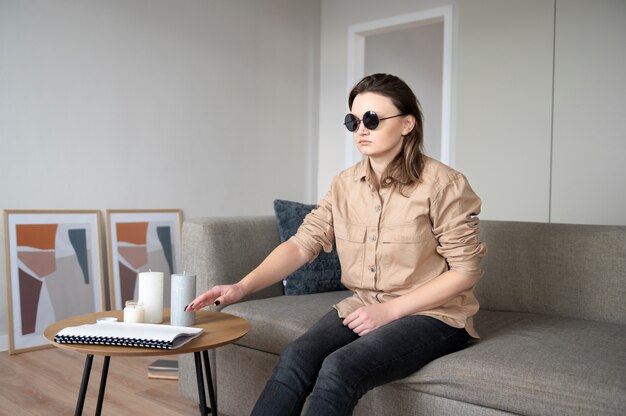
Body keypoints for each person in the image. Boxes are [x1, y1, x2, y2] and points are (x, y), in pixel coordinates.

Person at [185, 73, 486, 416]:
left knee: (340, 368)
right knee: (296, 357)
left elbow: (464, 272)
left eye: (371, 119)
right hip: (364, 303)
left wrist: (388, 311)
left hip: (435, 315)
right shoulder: (344, 185)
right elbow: (301, 244)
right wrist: (241, 286)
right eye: (353, 121)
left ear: (407, 124)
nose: (361, 129)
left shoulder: (444, 185)